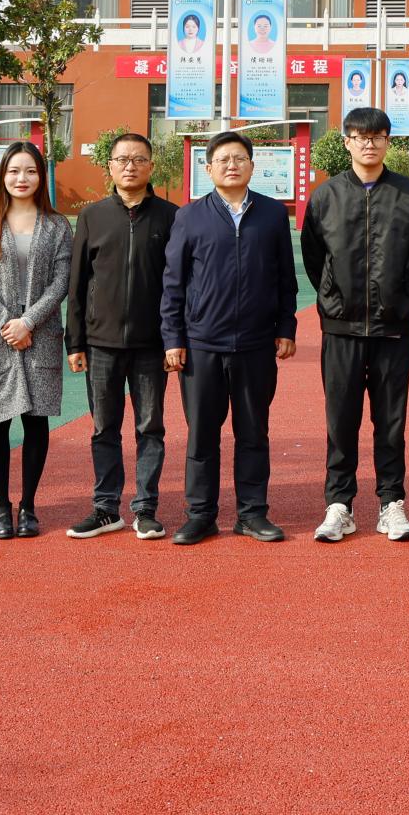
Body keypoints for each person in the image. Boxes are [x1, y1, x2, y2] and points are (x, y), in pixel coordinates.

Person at [303, 106, 409, 543]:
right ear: (347, 142)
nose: (369, 144)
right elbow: (314, 256)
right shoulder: (326, 196)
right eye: (360, 137)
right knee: (341, 420)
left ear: (387, 142)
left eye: (377, 136)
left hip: (392, 329)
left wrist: (400, 298)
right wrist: (333, 298)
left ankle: (391, 503)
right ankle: (339, 505)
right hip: (341, 328)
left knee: (391, 422)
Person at [161, 130, 298, 545]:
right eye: (223, 160)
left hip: (256, 344)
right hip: (202, 344)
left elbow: (286, 278)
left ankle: (252, 514)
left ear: (252, 166)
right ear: (208, 169)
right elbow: (173, 282)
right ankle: (200, 514)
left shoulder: (272, 214)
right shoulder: (189, 217)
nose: (232, 165)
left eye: (239, 158)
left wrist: (286, 328)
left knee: (253, 432)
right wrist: (173, 337)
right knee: (202, 434)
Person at [65, 131, 179, 540]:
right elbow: (78, 284)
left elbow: (179, 284)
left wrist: (174, 339)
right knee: (103, 428)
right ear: (110, 166)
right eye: (122, 159)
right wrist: (75, 342)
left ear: (151, 166)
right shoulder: (92, 216)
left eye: (138, 159)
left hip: (152, 346)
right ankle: (105, 508)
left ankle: (145, 509)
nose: (130, 166)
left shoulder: (171, 217)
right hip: (101, 344)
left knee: (150, 429)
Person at [0, 141, 72, 540]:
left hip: (40, 336)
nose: (21, 178)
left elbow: (61, 281)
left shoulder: (57, 225)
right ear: (2, 176)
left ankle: (28, 505)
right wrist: (6, 323)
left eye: (30, 170)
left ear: (41, 176)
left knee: (35, 420)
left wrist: (28, 322)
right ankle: (1, 507)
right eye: (13, 171)